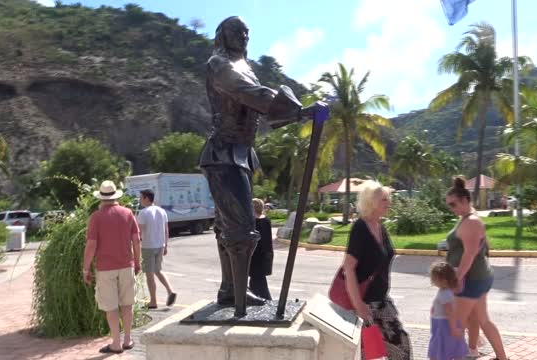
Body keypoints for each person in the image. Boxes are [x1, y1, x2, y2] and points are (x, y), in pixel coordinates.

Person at [199, 16, 329, 316]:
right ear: (223, 34)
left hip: (240, 152)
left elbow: (259, 104)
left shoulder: (245, 65)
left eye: (247, 32)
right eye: (237, 31)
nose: (244, 36)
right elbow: (247, 92)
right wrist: (299, 111)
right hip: (223, 153)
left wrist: (296, 113)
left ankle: (231, 290)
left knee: (227, 227)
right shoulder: (219, 64)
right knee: (241, 229)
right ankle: (238, 303)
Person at [342, 180, 412, 359]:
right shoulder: (360, 228)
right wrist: (358, 305)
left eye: (388, 198)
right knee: (369, 353)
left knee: (401, 345)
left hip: (381, 300)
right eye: (383, 199)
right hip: (365, 302)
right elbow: (348, 268)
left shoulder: (380, 227)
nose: (389, 203)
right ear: (371, 202)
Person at [444, 176, 508, 360]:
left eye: (453, 204)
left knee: (456, 322)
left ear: (465, 200)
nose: (451, 208)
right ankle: (495, 356)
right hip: (478, 276)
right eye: (449, 205)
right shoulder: (467, 218)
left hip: (471, 279)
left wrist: (457, 278)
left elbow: (469, 254)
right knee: (480, 319)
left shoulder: (471, 221)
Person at [83, 180, 141, 354]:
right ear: (116, 195)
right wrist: (137, 262)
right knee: (127, 304)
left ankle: (116, 343)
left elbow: (91, 244)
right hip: (126, 265)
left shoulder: (96, 217)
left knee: (111, 306)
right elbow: (136, 241)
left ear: (100, 197)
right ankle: (128, 339)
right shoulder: (128, 213)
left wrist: (85, 268)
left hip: (105, 268)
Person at [138, 189, 177, 309]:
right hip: (160, 245)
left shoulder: (143, 212)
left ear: (146, 198)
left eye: (141, 198)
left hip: (148, 246)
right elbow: (166, 230)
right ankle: (170, 291)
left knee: (149, 274)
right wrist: (166, 245)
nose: (140, 200)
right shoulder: (162, 211)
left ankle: (153, 301)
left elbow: (138, 232)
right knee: (158, 270)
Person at [428, 261, 468, 360]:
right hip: (446, 323)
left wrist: (453, 328)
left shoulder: (444, 294)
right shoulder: (448, 289)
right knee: (453, 346)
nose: (432, 281)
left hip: (444, 325)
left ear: (443, 280)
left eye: (434, 279)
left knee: (442, 347)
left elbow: (450, 312)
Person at [248, 198, 273, 300]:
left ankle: (265, 299)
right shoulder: (266, 220)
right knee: (257, 279)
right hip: (265, 253)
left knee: (257, 280)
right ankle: (257, 298)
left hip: (255, 254)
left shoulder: (252, 221)